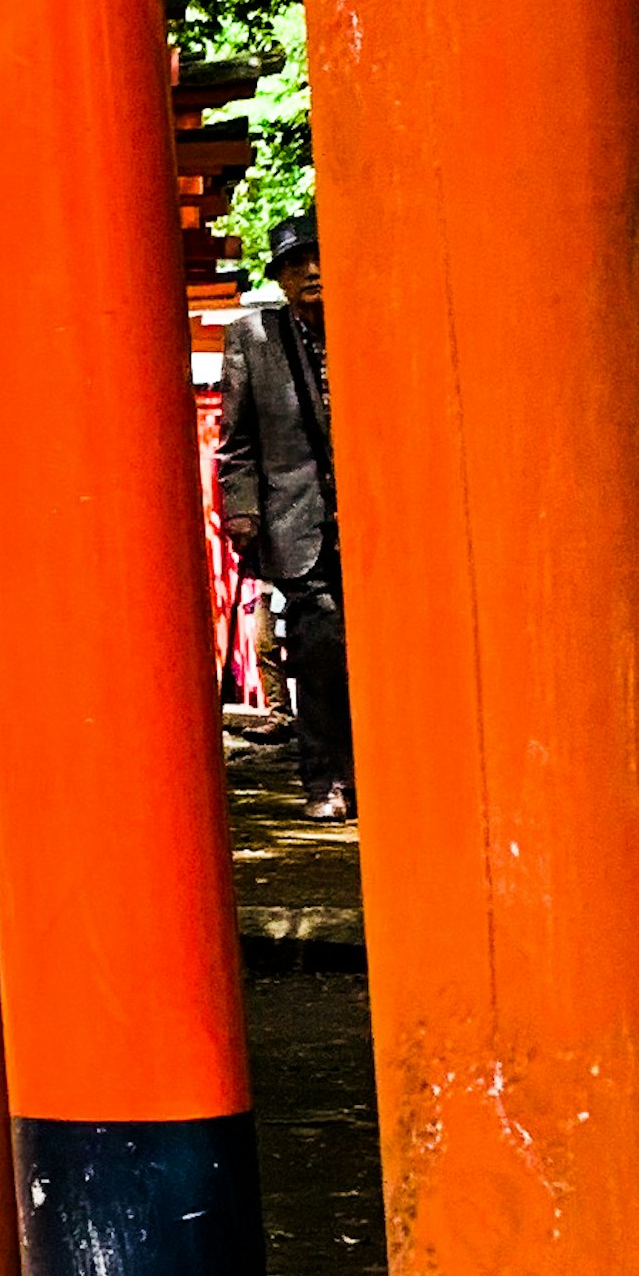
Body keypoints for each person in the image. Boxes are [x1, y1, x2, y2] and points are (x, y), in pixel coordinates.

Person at [216, 201, 353, 819]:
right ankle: (325, 779)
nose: (313, 273)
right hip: (298, 518)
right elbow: (238, 440)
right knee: (319, 645)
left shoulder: (368, 321)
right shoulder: (254, 338)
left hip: (377, 516)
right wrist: (241, 512)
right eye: (297, 264)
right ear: (278, 277)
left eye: (321, 259)